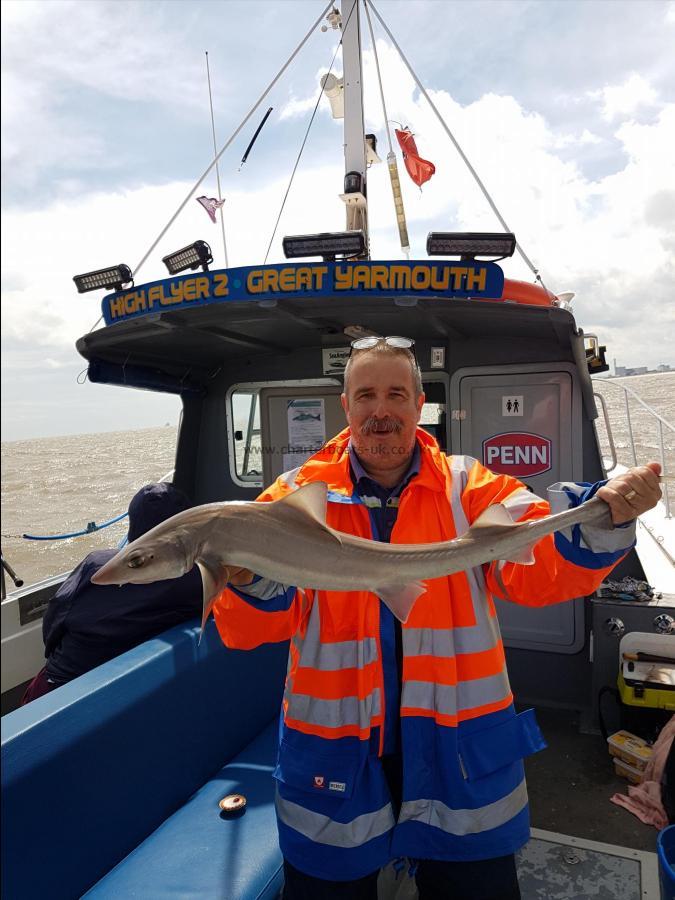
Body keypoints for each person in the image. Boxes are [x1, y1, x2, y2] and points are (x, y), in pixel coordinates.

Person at [213, 336, 662, 900]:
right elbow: (253, 625)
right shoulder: (293, 499)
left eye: (396, 394)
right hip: (335, 756)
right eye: (367, 395)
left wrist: (605, 517)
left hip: (460, 752)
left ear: (419, 402)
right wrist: (245, 578)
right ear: (345, 406)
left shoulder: (470, 487)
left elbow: (540, 568)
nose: (381, 411)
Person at [21, 482, 202, 704]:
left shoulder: (98, 567)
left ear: (133, 522)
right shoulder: (202, 577)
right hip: (146, 690)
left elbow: (54, 624)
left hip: (64, 687)